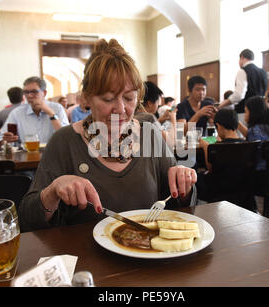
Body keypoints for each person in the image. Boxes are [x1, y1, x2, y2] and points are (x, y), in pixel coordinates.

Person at [18, 39, 197, 232]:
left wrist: (184, 184)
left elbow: (179, 208)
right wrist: (52, 192)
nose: (120, 109)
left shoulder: (150, 134)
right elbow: (28, 220)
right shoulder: (64, 141)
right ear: (86, 98)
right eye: (108, 99)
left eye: (129, 98)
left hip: (149, 254)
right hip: (86, 258)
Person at [0, 76, 69, 149]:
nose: (29, 96)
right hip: (28, 157)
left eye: (34, 92)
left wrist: (50, 113)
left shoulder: (57, 108)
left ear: (44, 93)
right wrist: (6, 140)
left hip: (54, 155)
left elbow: (66, 137)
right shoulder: (17, 113)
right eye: (26, 92)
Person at [239, 96, 269, 191]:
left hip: (263, 178)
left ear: (253, 113)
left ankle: (248, 205)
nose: (244, 115)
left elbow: (251, 157)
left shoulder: (254, 131)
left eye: (246, 111)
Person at [217, 49, 268, 126]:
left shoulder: (243, 71)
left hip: (245, 112)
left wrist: (222, 104)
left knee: (244, 136)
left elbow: (239, 95)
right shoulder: (263, 72)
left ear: (242, 57)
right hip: (261, 112)